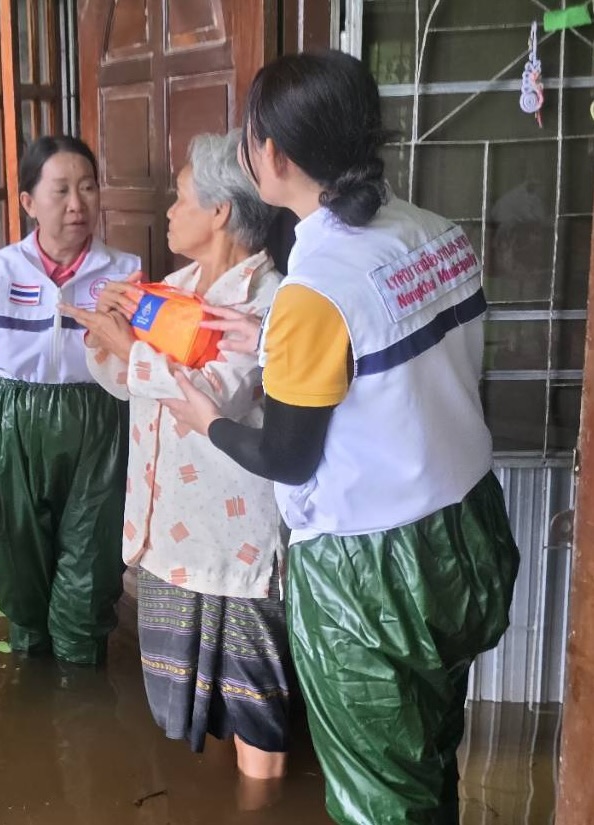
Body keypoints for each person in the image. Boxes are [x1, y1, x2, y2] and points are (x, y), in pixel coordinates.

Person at [160, 51, 520, 825]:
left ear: (276, 157)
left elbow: (288, 455)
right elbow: (390, 356)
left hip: (374, 573)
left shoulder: (314, 288)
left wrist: (209, 422)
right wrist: (269, 331)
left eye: (251, 138)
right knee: (424, 756)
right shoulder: (434, 233)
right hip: (465, 534)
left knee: (379, 799)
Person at [60, 130, 291, 783]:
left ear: (220, 213)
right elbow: (135, 385)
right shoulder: (176, 287)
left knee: (256, 718)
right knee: (195, 714)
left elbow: (212, 392)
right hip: (171, 537)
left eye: (181, 196)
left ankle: (260, 807)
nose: (168, 210)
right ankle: (218, 800)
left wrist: (127, 345)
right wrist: (105, 342)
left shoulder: (266, 300)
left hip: (238, 547)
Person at [0, 136, 133, 666]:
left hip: (99, 424)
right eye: (61, 191)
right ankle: (32, 697)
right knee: (20, 580)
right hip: (11, 427)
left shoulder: (126, 274)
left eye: (88, 188)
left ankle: (79, 706)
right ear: (29, 202)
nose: (78, 204)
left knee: (90, 577)